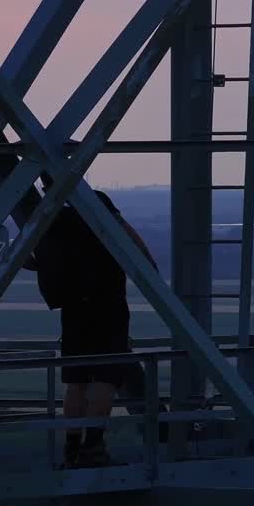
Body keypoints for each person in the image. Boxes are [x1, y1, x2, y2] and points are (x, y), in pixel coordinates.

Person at [26, 176, 158, 467]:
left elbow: (34, 258)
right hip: (106, 302)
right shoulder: (94, 200)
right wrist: (151, 271)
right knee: (105, 378)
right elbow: (127, 234)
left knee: (76, 380)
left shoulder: (49, 211)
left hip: (73, 308)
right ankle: (93, 447)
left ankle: (71, 449)